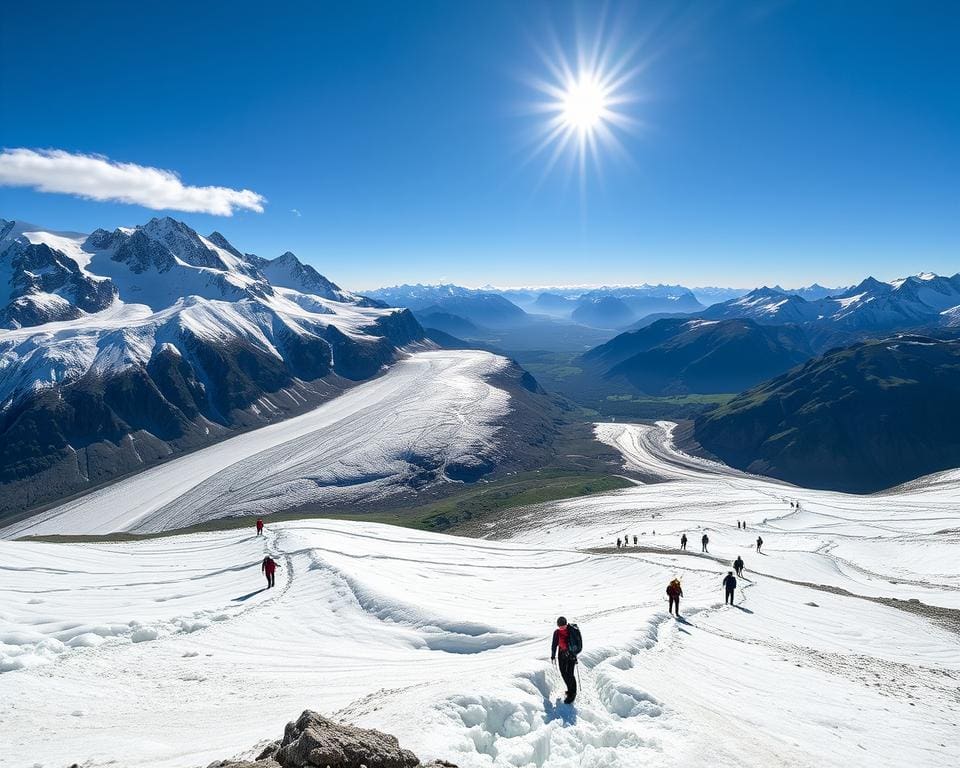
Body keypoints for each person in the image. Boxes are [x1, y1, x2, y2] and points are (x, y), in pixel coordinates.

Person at [551, 616, 579, 704]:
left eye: (563, 625)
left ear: (566, 624)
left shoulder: (571, 631)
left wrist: (574, 655)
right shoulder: (557, 633)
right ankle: (570, 689)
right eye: (560, 626)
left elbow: (575, 643)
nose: (562, 627)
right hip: (561, 654)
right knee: (563, 673)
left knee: (570, 674)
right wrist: (553, 655)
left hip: (571, 655)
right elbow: (554, 645)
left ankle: (572, 693)